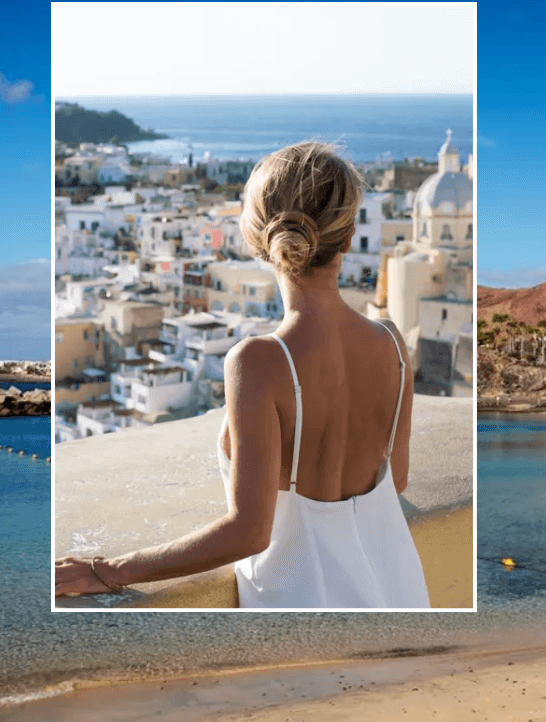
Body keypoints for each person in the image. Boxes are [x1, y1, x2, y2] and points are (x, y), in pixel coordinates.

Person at [55, 142, 430, 609]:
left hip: (302, 607)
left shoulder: (258, 362)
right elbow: (394, 480)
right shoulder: (392, 345)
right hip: (399, 594)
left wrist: (107, 570)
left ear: (257, 241)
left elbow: (249, 533)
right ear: (350, 236)